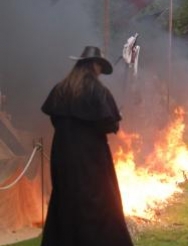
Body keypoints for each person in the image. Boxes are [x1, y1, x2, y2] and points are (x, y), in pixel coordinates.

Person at [40, 46, 134, 246]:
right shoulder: (98, 90)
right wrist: (117, 120)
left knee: (65, 199)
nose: (100, 71)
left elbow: (55, 118)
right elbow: (108, 124)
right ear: (94, 65)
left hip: (63, 155)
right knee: (100, 201)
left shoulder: (61, 88)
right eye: (99, 66)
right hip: (91, 157)